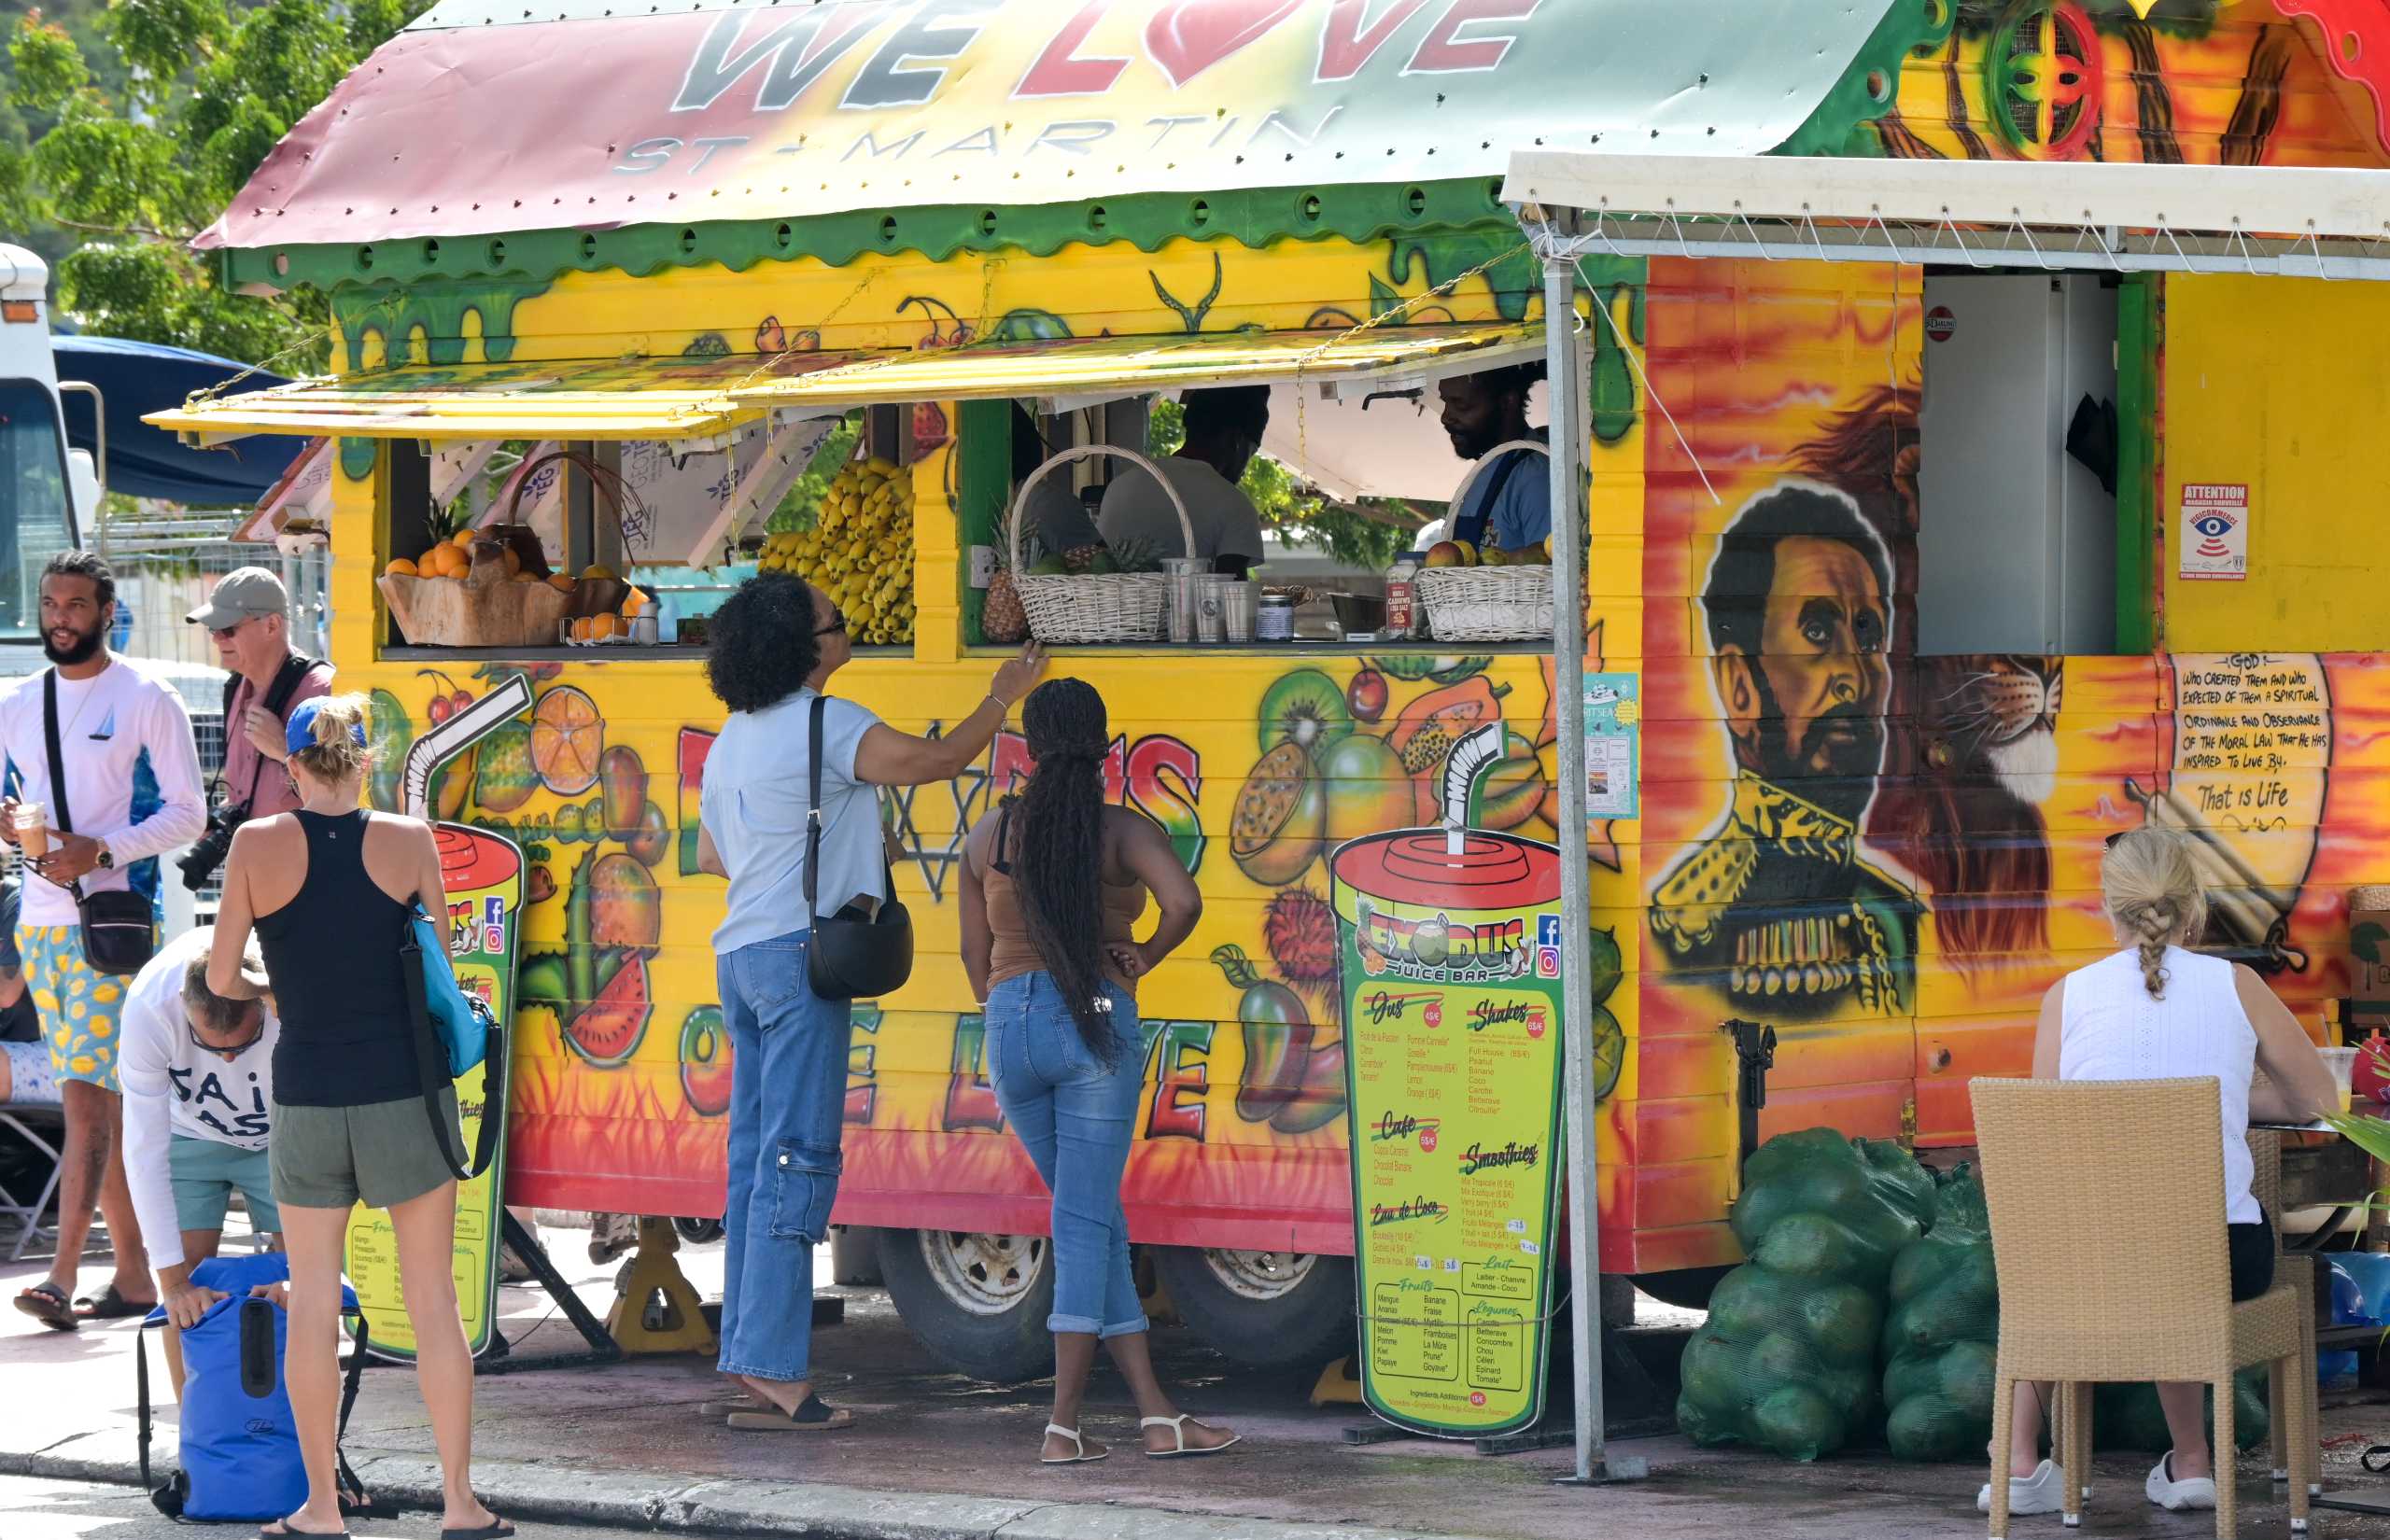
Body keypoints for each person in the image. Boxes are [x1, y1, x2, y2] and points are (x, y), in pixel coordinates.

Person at [695, 572, 1045, 1431]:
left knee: (754, 1163)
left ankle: (749, 1352)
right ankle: (774, 1370)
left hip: (742, 958)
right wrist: (1003, 695)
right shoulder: (829, 723)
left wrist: (827, 840)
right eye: (834, 622)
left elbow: (712, 856)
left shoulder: (732, 737)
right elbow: (938, 762)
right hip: (799, 962)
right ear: (802, 648)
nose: (844, 628)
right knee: (798, 1158)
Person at [209, 695, 508, 1540]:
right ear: (366, 761)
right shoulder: (411, 840)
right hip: (405, 1089)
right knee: (432, 1297)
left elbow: (223, 978)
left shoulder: (255, 843)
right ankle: (461, 1504)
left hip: (308, 1091)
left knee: (312, 1301)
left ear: (293, 767)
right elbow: (440, 967)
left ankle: (321, 1508)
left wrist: (277, 989)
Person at [1982, 827, 2337, 1519]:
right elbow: (2318, 1101)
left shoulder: (2067, 996)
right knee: (2181, 1248)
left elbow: (2049, 1131)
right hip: (2216, 1260)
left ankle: (2019, 1465)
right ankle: (2193, 1463)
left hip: (2090, 1262)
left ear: (2107, 906)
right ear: (2194, 904)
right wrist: (2221, 1096)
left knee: (2069, 1255)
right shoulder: (2238, 985)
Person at [957, 679, 1236, 1463]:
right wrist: (1145, 955)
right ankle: (1063, 1427)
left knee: (1095, 1220)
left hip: (1009, 1029)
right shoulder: (1120, 830)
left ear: (1030, 749)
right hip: (1094, 1019)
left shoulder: (989, 837)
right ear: (1106, 749)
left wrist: (1015, 1002)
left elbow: (974, 955)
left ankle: (1157, 1416)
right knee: (1083, 1224)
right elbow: (1183, 902)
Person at [3, 551, 206, 1330]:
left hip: (111, 926)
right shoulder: (18, 701)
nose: (61, 618)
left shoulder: (146, 697)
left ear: (107, 613)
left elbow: (189, 814)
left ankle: (59, 1276)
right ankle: (133, 1277)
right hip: (39, 924)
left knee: (86, 1103)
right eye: (52, 604)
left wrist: (103, 850)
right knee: (103, 1107)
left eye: (77, 605)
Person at [1647, 483, 1920, 1020]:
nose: (1855, 676)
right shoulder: (1681, 929)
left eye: (1868, 636)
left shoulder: (1898, 919)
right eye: (1816, 631)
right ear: (1740, 687)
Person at [120, 925, 282, 1394]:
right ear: (183, 1008)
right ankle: (194, 1423)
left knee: (301, 1283)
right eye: (212, 1046)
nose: (228, 1061)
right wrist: (172, 1282)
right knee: (186, 1283)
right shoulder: (149, 1005)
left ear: (265, 1004)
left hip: (282, 1135)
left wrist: (310, 1277)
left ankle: (306, 1428)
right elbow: (143, 1150)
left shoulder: (289, 988)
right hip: (188, 1134)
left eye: (243, 1045)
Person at [189, 566, 332, 823]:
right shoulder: (235, 690)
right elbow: (246, 794)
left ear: (272, 626)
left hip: (306, 850)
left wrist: (284, 750)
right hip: (254, 849)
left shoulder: (322, 692)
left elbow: (345, 793)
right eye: (213, 629)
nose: (217, 639)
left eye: (228, 629)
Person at [1098, 385, 1269, 574]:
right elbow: (1232, 589)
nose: (1244, 471)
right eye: (1251, 453)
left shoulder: (1121, 486)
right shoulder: (1235, 504)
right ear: (1235, 441)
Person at [1439, 363, 1550, 553]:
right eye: (1445, 402)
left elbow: (1550, 565)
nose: (1445, 417)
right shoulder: (1487, 467)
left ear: (1507, 401)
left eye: (1461, 405)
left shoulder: (1536, 477)